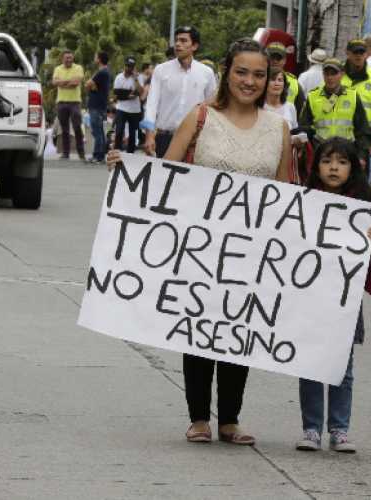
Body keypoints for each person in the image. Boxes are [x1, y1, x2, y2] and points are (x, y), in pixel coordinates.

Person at [108, 37, 292, 444]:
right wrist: (130, 169)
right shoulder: (202, 117)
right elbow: (165, 171)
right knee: (199, 328)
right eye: (242, 72)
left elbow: (287, 194)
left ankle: (229, 418)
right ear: (227, 72)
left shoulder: (278, 128)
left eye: (259, 74)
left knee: (239, 330)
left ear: (269, 80)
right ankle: (198, 418)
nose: (250, 81)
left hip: (252, 249)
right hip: (201, 245)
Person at [295, 137, 371, 453]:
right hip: (310, 297)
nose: (334, 168)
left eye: (342, 162)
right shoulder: (305, 200)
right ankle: (312, 428)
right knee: (309, 364)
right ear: (316, 166)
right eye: (327, 161)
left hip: (344, 300)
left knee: (342, 367)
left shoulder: (362, 207)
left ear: (354, 168)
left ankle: (340, 429)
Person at [141, 26, 217, 157]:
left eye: (183, 40)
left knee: (191, 178)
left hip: (194, 141)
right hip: (164, 138)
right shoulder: (161, 70)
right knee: (162, 177)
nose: (177, 44)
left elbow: (212, 108)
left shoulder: (206, 73)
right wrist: (149, 136)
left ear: (194, 46)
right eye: (176, 40)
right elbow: (152, 104)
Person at [298, 58, 371, 161]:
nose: (330, 77)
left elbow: (362, 130)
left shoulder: (353, 96)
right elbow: (304, 127)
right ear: (323, 75)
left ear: (342, 74)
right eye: (327, 74)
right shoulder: (313, 96)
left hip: (347, 153)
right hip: (320, 153)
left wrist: (361, 156)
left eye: (334, 74)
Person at [265, 66, 308, 183]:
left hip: (287, 161)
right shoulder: (259, 107)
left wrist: (299, 141)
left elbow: (294, 130)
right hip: (265, 159)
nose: (277, 83)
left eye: (280, 80)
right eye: (273, 79)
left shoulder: (290, 107)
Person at [52, 50, 87, 161]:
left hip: (75, 102)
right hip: (61, 102)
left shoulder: (78, 68)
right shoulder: (58, 69)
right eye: (67, 58)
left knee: (77, 127)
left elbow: (76, 83)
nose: (69, 60)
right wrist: (68, 82)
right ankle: (65, 153)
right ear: (63, 59)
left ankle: (81, 152)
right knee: (64, 129)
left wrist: (62, 82)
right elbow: (55, 82)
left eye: (71, 58)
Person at [266, 42, 306, 116]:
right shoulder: (258, 79)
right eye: (272, 57)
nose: (275, 61)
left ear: (284, 60)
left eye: (278, 58)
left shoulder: (294, 84)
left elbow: (300, 114)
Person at [85, 51, 111, 163]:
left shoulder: (102, 72)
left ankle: (98, 156)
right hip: (99, 104)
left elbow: (87, 84)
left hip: (97, 105)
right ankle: (99, 155)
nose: (94, 58)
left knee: (97, 131)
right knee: (99, 130)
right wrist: (93, 86)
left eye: (96, 57)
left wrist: (92, 86)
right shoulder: (105, 72)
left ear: (99, 59)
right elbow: (92, 85)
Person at [113, 56, 142, 153]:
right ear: (125, 66)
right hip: (121, 108)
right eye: (128, 66)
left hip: (134, 109)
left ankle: (130, 153)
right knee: (119, 130)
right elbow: (117, 94)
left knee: (132, 133)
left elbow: (140, 92)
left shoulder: (138, 77)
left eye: (132, 67)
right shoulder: (119, 77)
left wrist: (136, 79)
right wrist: (127, 95)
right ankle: (117, 150)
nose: (130, 69)